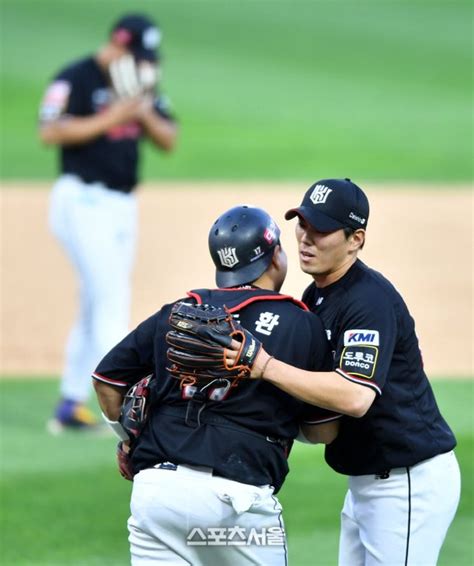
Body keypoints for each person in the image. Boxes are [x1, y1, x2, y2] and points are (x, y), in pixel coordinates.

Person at [221, 179, 460, 565]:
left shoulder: (369, 301)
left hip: (406, 482)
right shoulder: (315, 296)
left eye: (322, 230)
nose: (306, 238)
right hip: (367, 480)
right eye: (302, 225)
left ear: (355, 239)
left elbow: (355, 396)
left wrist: (264, 366)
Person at [93, 205, 340, 565]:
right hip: (235, 505)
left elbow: (106, 383)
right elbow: (324, 432)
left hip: (157, 494)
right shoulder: (303, 324)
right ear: (274, 259)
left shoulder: (179, 311)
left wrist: (131, 440)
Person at [38, 13, 178, 432]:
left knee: (96, 299)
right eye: (136, 55)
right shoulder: (77, 77)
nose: (141, 64)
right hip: (81, 201)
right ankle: (131, 403)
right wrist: (115, 115)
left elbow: (169, 139)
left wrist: (143, 110)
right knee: (111, 297)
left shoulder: (140, 83)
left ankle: (69, 404)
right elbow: (50, 130)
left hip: (121, 206)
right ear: (117, 45)